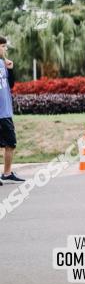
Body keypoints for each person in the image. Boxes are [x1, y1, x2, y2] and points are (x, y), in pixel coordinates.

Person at [0, 36, 25, 184]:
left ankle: (7, 173)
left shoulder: (3, 64)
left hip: (6, 112)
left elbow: (11, 85)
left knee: (11, 143)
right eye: (3, 46)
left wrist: (11, 70)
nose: (5, 49)